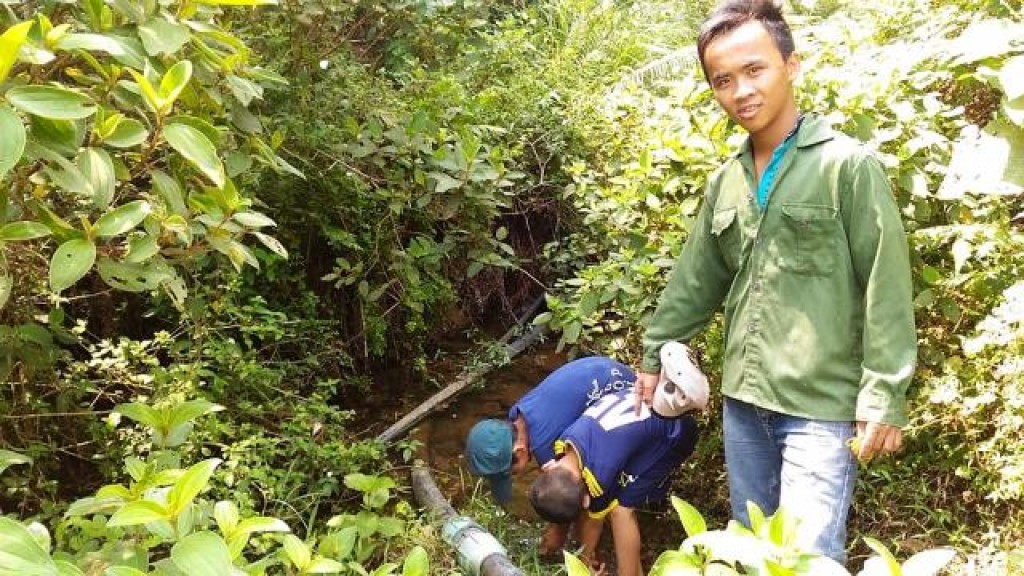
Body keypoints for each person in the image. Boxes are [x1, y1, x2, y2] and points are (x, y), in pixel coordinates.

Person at [634, 0, 917, 564]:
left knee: (807, 556)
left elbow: (885, 281)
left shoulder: (846, 166)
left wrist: (884, 393)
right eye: (723, 80)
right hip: (744, 402)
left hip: (820, 408)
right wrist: (651, 352)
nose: (740, 91)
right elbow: (697, 279)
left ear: (791, 65)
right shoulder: (726, 182)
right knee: (749, 549)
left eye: (754, 70)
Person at [465, 355, 635, 552]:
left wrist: (559, 532)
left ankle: (591, 556)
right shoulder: (518, 414)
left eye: (511, 472)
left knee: (591, 490)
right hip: (606, 369)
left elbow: (569, 489)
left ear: (519, 451)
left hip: (627, 395)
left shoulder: (547, 445)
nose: (514, 476)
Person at [529, 385, 700, 576]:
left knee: (621, 511)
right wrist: (586, 556)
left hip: (676, 434)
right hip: (657, 409)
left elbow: (594, 520)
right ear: (550, 467)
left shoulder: (601, 473)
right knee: (615, 498)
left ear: (586, 500)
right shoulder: (566, 441)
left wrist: (584, 563)